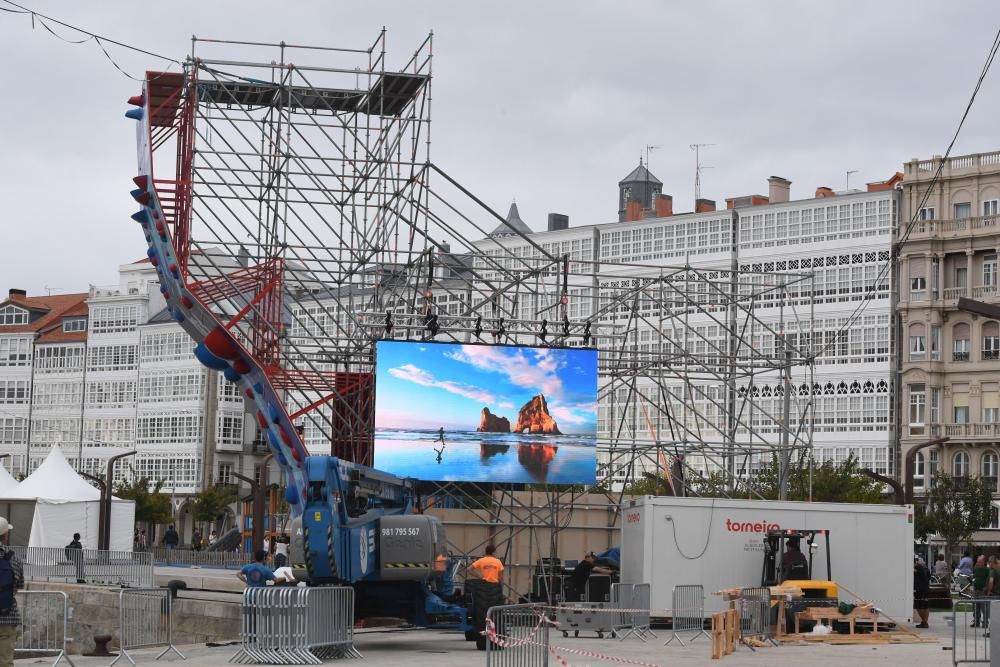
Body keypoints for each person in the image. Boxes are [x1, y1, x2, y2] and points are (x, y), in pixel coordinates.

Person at [0, 517, 24, 667]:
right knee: (5, 661)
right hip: (7, 615)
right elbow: (20, 584)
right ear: (5, 534)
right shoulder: (13, 557)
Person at [973, 555, 991, 628]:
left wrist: (986, 588)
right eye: (977, 562)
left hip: (983, 591)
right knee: (976, 607)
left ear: (983, 562)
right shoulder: (976, 569)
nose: (978, 563)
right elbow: (975, 577)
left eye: (979, 562)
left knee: (984, 608)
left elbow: (988, 580)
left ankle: (985, 623)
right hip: (976, 590)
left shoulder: (987, 570)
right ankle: (976, 621)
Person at [914, 557, 931, 628]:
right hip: (926, 589)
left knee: (918, 606)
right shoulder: (925, 568)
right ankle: (925, 622)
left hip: (919, 590)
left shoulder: (917, 567)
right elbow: (929, 577)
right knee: (925, 606)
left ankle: (924, 621)